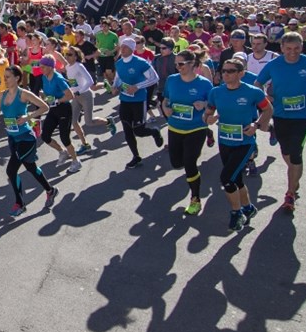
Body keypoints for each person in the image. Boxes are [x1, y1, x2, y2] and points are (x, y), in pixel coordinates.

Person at [255, 32, 306, 214]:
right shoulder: (274, 65)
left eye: (296, 48)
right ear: (282, 48)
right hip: (280, 115)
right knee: (287, 153)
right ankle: (295, 177)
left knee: (296, 153)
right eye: (288, 49)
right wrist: (265, 97)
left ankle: (290, 192)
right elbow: (257, 83)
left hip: (303, 116)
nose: (292, 53)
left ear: (301, 47)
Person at [204, 57, 272, 231]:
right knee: (236, 179)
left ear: (241, 73)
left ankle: (237, 213)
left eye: (230, 71)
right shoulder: (216, 92)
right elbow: (208, 112)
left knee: (226, 178)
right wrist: (208, 118)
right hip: (225, 141)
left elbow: (268, 109)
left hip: (245, 142)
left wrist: (256, 125)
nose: (225, 74)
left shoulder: (253, 92)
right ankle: (248, 208)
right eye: (223, 71)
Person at [0, 65, 56, 216]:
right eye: (4, 76)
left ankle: (20, 204)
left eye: (8, 76)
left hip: (26, 138)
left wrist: (27, 117)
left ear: (17, 78)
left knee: (11, 170)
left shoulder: (24, 94)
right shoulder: (1, 95)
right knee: (30, 167)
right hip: (12, 138)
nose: (5, 78)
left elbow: (45, 107)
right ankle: (50, 190)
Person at [161, 50, 213, 216]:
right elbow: (166, 100)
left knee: (190, 163)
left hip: (196, 128)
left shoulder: (204, 84)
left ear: (192, 64)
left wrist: (204, 104)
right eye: (176, 64)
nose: (178, 67)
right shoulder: (172, 80)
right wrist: (165, 109)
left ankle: (195, 199)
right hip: (175, 127)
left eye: (181, 64)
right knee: (176, 163)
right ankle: (190, 168)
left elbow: (213, 105)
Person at [112, 37, 164, 169]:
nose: (122, 49)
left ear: (131, 49)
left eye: (125, 47)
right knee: (127, 130)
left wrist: (137, 86)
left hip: (139, 100)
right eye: (121, 47)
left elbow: (154, 78)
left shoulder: (140, 63)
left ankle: (154, 132)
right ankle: (136, 156)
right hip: (124, 100)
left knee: (139, 131)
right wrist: (114, 86)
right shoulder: (119, 63)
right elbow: (118, 78)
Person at [64, 46, 115, 154]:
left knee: (89, 122)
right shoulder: (68, 67)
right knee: (73, 122)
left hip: (85, 95)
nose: (67, 56)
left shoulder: (79, 66)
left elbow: (89, 81)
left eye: (70, 55)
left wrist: (80, 91)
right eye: (66, 54)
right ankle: (85, 144)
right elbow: (73, 82)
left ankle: (108, 121)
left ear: (76, 56)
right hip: (75, 97)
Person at [37, 56, 82, 174]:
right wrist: (44, 96)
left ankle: (76, 161)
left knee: (64, 137)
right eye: (40, 66)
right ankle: (62, 152)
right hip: (53, 109)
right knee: (45, 136)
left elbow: (70, 95)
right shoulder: (44, 77)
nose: (41, 69)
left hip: (64, 109)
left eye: (43, 67)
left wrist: (57, 101)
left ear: (50, 67)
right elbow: (48, 95)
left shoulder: (58, 79)